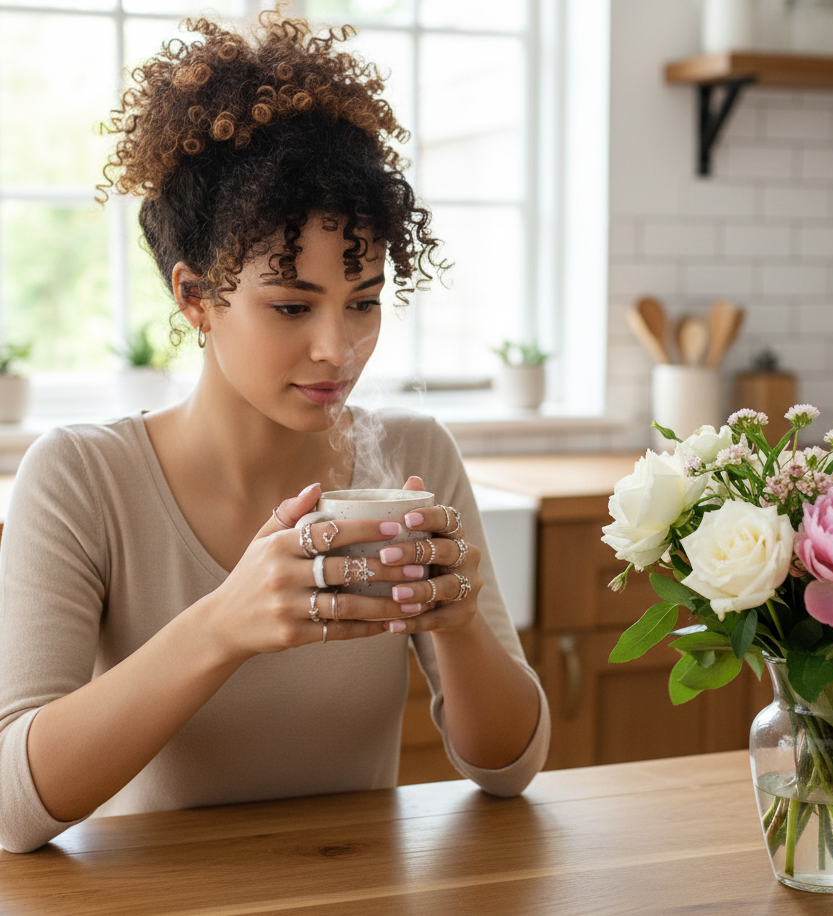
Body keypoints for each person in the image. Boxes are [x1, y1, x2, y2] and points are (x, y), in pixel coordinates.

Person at [0, 7, 549, 854]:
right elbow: (11, 809)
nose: (339, 347)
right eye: (292, 305)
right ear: (194, 299)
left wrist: (459, 620)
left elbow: (508, 769)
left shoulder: (412, 455)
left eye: (363, 301)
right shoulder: (81, 478)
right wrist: (222, 626)